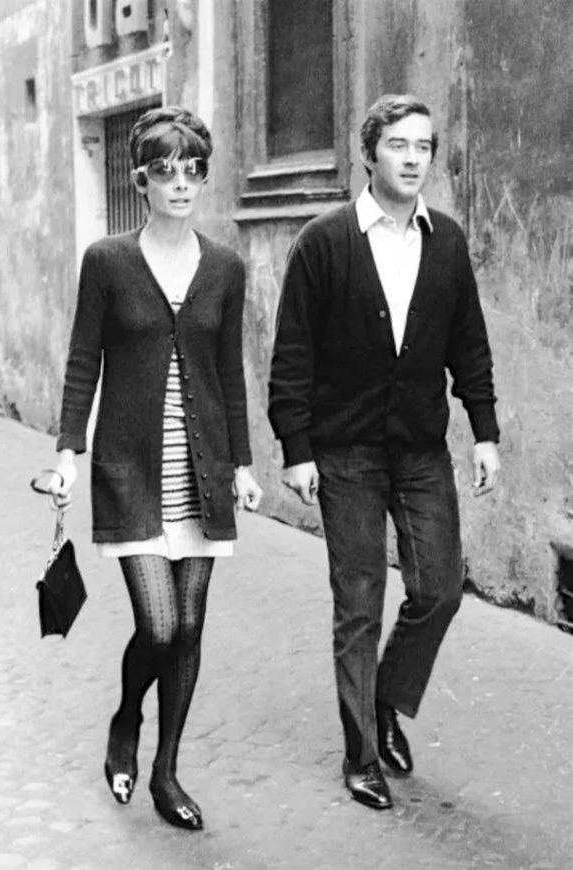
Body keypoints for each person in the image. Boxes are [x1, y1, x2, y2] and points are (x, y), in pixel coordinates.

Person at [268, 94, 500, 811]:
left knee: (439, 589)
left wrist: (485, 431)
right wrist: (297, 448)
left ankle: (386, 698)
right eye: (398, 145)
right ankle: (361, 753)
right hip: (345, 453)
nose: (412, 158)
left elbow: (469, 345)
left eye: (423, 146)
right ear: (369, 154)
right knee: (359, 602)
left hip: (421, 449)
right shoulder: (324, 242)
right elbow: (293, 356)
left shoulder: (446, 241)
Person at [39, 106, 262, 830]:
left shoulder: (225, 268)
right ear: (140, 180)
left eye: (193, 169)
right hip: (130, 470)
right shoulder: (107, 261)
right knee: (160, 626)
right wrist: (67, 454)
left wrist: (243, 463)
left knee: (190, 626)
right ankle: (126, 716)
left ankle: (166, 771)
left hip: (203, 472)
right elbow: (83, 363)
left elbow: (228, 373)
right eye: (164, 170)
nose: (181, 182)